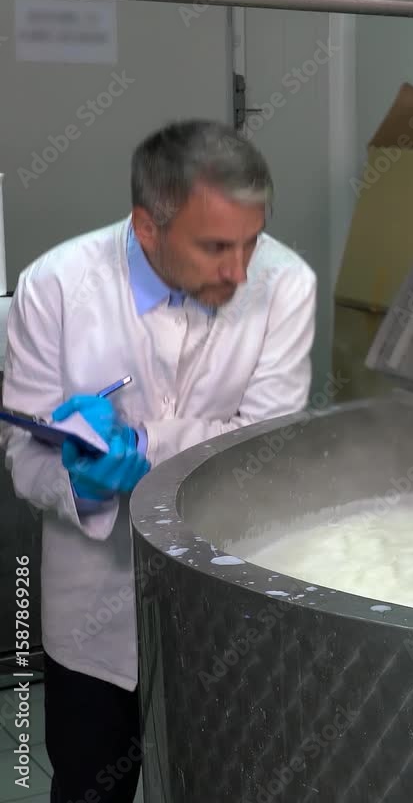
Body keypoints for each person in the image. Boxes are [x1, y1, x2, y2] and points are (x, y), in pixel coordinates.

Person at [2, 119, 316, 803]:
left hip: (229, 601)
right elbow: (25, 453)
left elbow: (266, 441)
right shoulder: (55, 285)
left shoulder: (287, 282)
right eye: (215, 247)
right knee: (91, 783)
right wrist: (82, 484)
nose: (240, 271)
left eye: (252, 242)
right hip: (93, 610)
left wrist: (145, 445)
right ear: (147, 228)